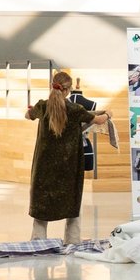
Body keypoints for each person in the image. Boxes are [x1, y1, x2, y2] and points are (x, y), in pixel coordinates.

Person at [25, 70, 108, 243]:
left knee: (42, 204)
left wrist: (31, 110)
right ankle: (72, 240)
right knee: (72, 203)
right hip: (69, 165)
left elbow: (28, 115)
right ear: (68, 90)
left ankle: (38, 241)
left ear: (52, 86)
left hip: (44, 165)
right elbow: (98, 120)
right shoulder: (75, 109)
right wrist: (109, 114)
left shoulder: (42, 106)